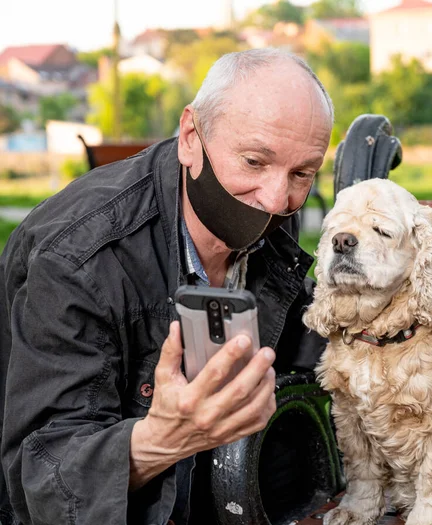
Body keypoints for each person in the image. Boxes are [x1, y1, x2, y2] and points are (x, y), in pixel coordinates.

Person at [0, 48, 333, 525]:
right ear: (191, 137)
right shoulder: (79, 258)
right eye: (255, 162)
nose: (278, 199)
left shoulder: (264, 210)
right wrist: (165, 438)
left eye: (303, 173)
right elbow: (44, 478)